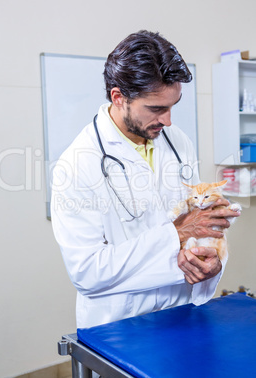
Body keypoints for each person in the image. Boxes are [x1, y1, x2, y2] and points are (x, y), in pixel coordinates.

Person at [51, 30, 240, 329]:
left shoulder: (177, 141)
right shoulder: (77, 164)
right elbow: (87, 273)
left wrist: (211, 262)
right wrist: (174, 234)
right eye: (156, 109)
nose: (168, 120)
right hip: (121, 325)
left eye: (172, 106)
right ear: (118, 97)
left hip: (182, 312)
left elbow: (196, 224)